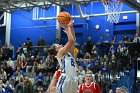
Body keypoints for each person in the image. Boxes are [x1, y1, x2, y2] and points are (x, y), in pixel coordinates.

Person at [47, 18, 78, 93]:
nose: (60, 44)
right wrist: (67, 29)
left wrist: (71, 27)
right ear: (56, 50)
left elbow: (73, 41)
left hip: (74, 79)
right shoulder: (60, 53)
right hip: (65, 78)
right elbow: (71, 41)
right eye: (58, 45)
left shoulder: (69, 53)